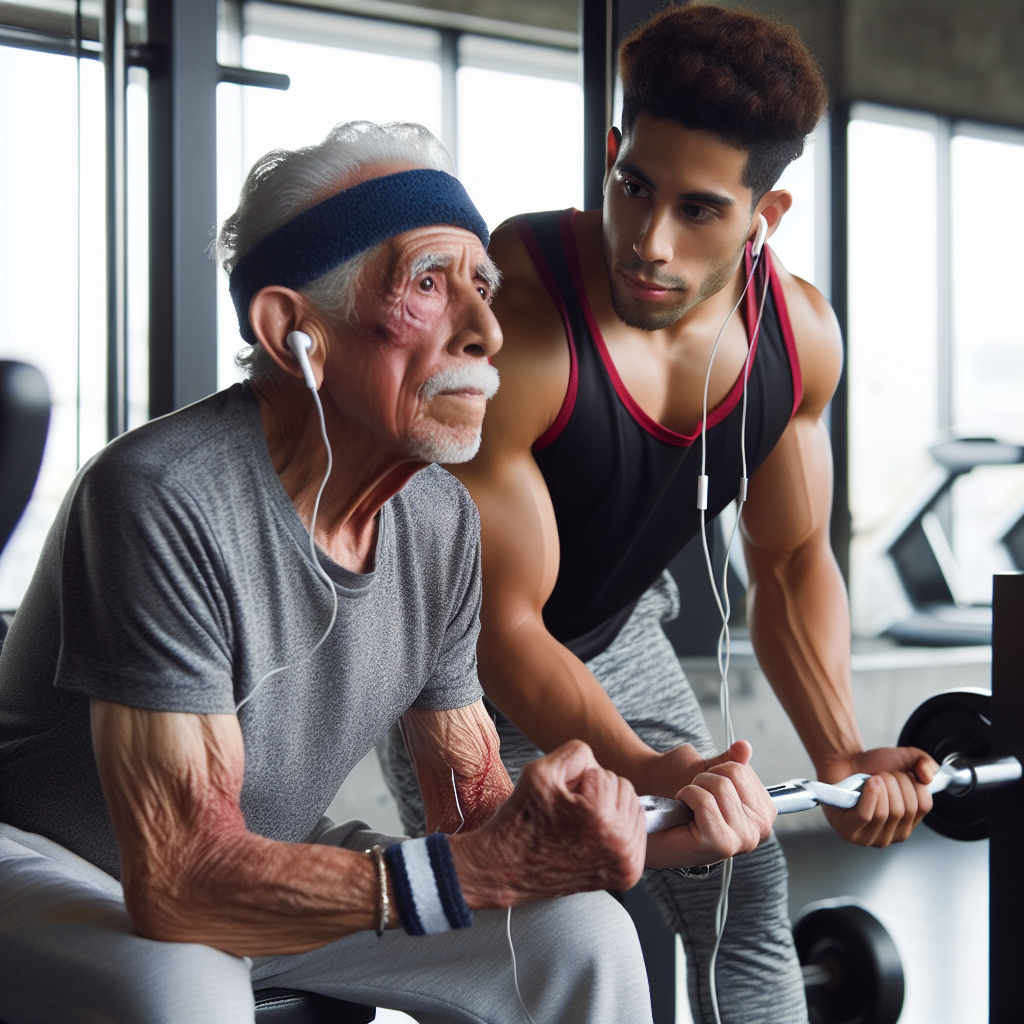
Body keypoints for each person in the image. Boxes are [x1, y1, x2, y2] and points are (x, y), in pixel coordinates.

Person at [0, 120, 776, 1024]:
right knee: (181, 984)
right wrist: (490, 866)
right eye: (428, 285)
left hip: (267, 852)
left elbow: (470, 817)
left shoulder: (441, 520)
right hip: (50, 863)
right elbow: (179, 880)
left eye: (483, 287)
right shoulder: (160, 495)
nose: (487, 329)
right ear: (296, 331)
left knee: (582, 934)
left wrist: (643, 829)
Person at [380, 8, 939, 1024]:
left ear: (765, 211)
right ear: (609, 152)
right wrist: (639, 767)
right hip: (446, 661)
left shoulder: (797, 335)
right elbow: (501, 623)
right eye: (632, 186)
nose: (647, 240)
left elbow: (791, 556)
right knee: (537, 918)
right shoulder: (529, 322)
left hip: (614, 632)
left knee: (741, 871)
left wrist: (840, 754)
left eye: (698, 210)